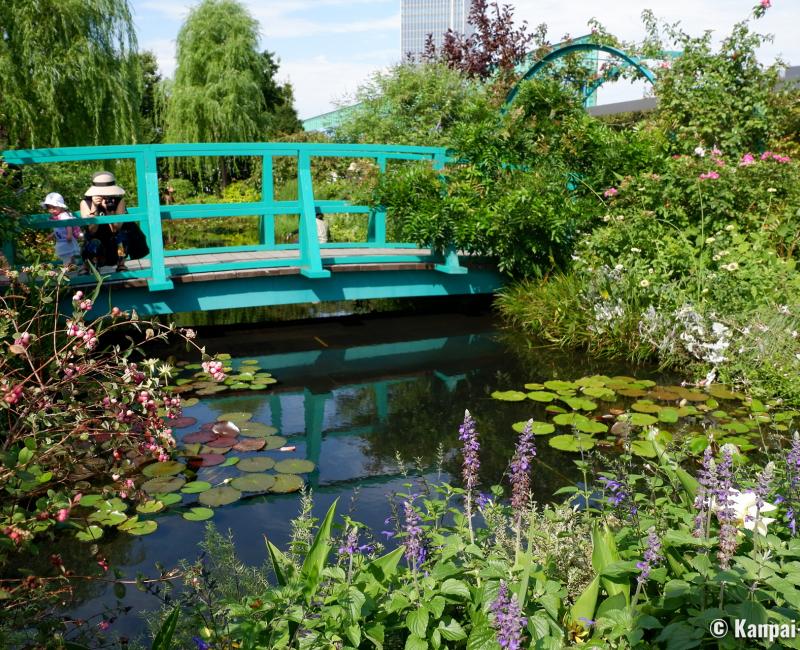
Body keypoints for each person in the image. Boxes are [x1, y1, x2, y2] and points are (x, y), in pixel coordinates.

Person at [78, 171, 128, 274]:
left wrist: (108, 212)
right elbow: (92, 230)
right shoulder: (86, 203)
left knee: (122, 237)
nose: (105, 195)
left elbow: (116, 228)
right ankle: (88, 266)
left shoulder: (118, 201)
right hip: (94, 244)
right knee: (93, 241)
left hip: (112, 242)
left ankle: (121, 263)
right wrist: (94, 207)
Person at [42, 192, 81, 268]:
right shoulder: (55, 217)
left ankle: (69, 267)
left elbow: (68, 225)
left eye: (54, 207)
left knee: (69, 254)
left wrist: (69, 234)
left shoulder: (64, 215)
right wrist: (52, 235)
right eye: (49, 208)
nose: (52, 210)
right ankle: (70, 267)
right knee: (65, 256)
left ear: (61, 206)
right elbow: (58, 229)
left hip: (67, 239)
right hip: (61, 240)